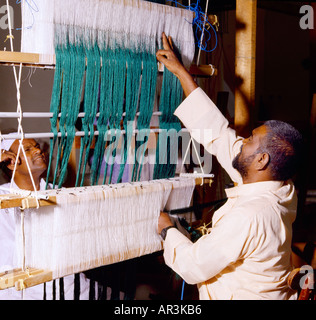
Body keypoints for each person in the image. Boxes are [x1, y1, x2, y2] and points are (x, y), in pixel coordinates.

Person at [156, 33, 304, 300]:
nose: (241, 141)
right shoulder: (278, 185)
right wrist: (181, 72)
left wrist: (166, 229)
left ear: (262, 160)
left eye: (249, 140)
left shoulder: (250, 216)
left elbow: (192, 267)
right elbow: (218, 133)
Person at [0, 136, 90, 300]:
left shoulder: (59, 193)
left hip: (68, 285)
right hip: (18, 290)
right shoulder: (2, 197)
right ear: (11, 163)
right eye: (28, 149)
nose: (38, 150)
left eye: (36, 146)